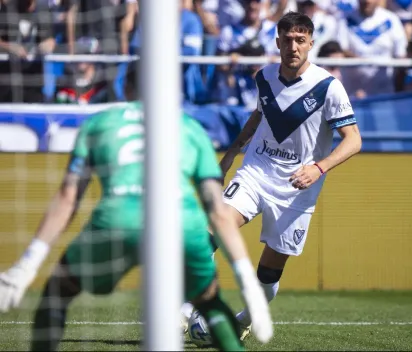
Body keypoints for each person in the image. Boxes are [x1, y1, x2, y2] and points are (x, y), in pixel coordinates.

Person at [0, 64, 272, 351]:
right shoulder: (189, 128)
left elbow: (68, 198)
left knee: (59, 291)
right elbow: (218, 211)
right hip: (182, 224)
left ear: (125, 88)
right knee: (209, 301)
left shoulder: (100, 123)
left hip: (118, 219)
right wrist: (246, 281)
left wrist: (28, 263)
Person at [217, 11, 362, 340]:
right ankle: (190, 312)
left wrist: (318, 167)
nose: (293, 47)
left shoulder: (328, 87)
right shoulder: (264, 77)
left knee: (266, 279)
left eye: (300, 40)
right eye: (287, 40)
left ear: (311, 43)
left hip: (296, 189)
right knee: (213, 228)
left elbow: (354, 141)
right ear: (277, 42)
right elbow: (259, 115)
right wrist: (231, 154)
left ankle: (243, 319)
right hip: (256, 172)